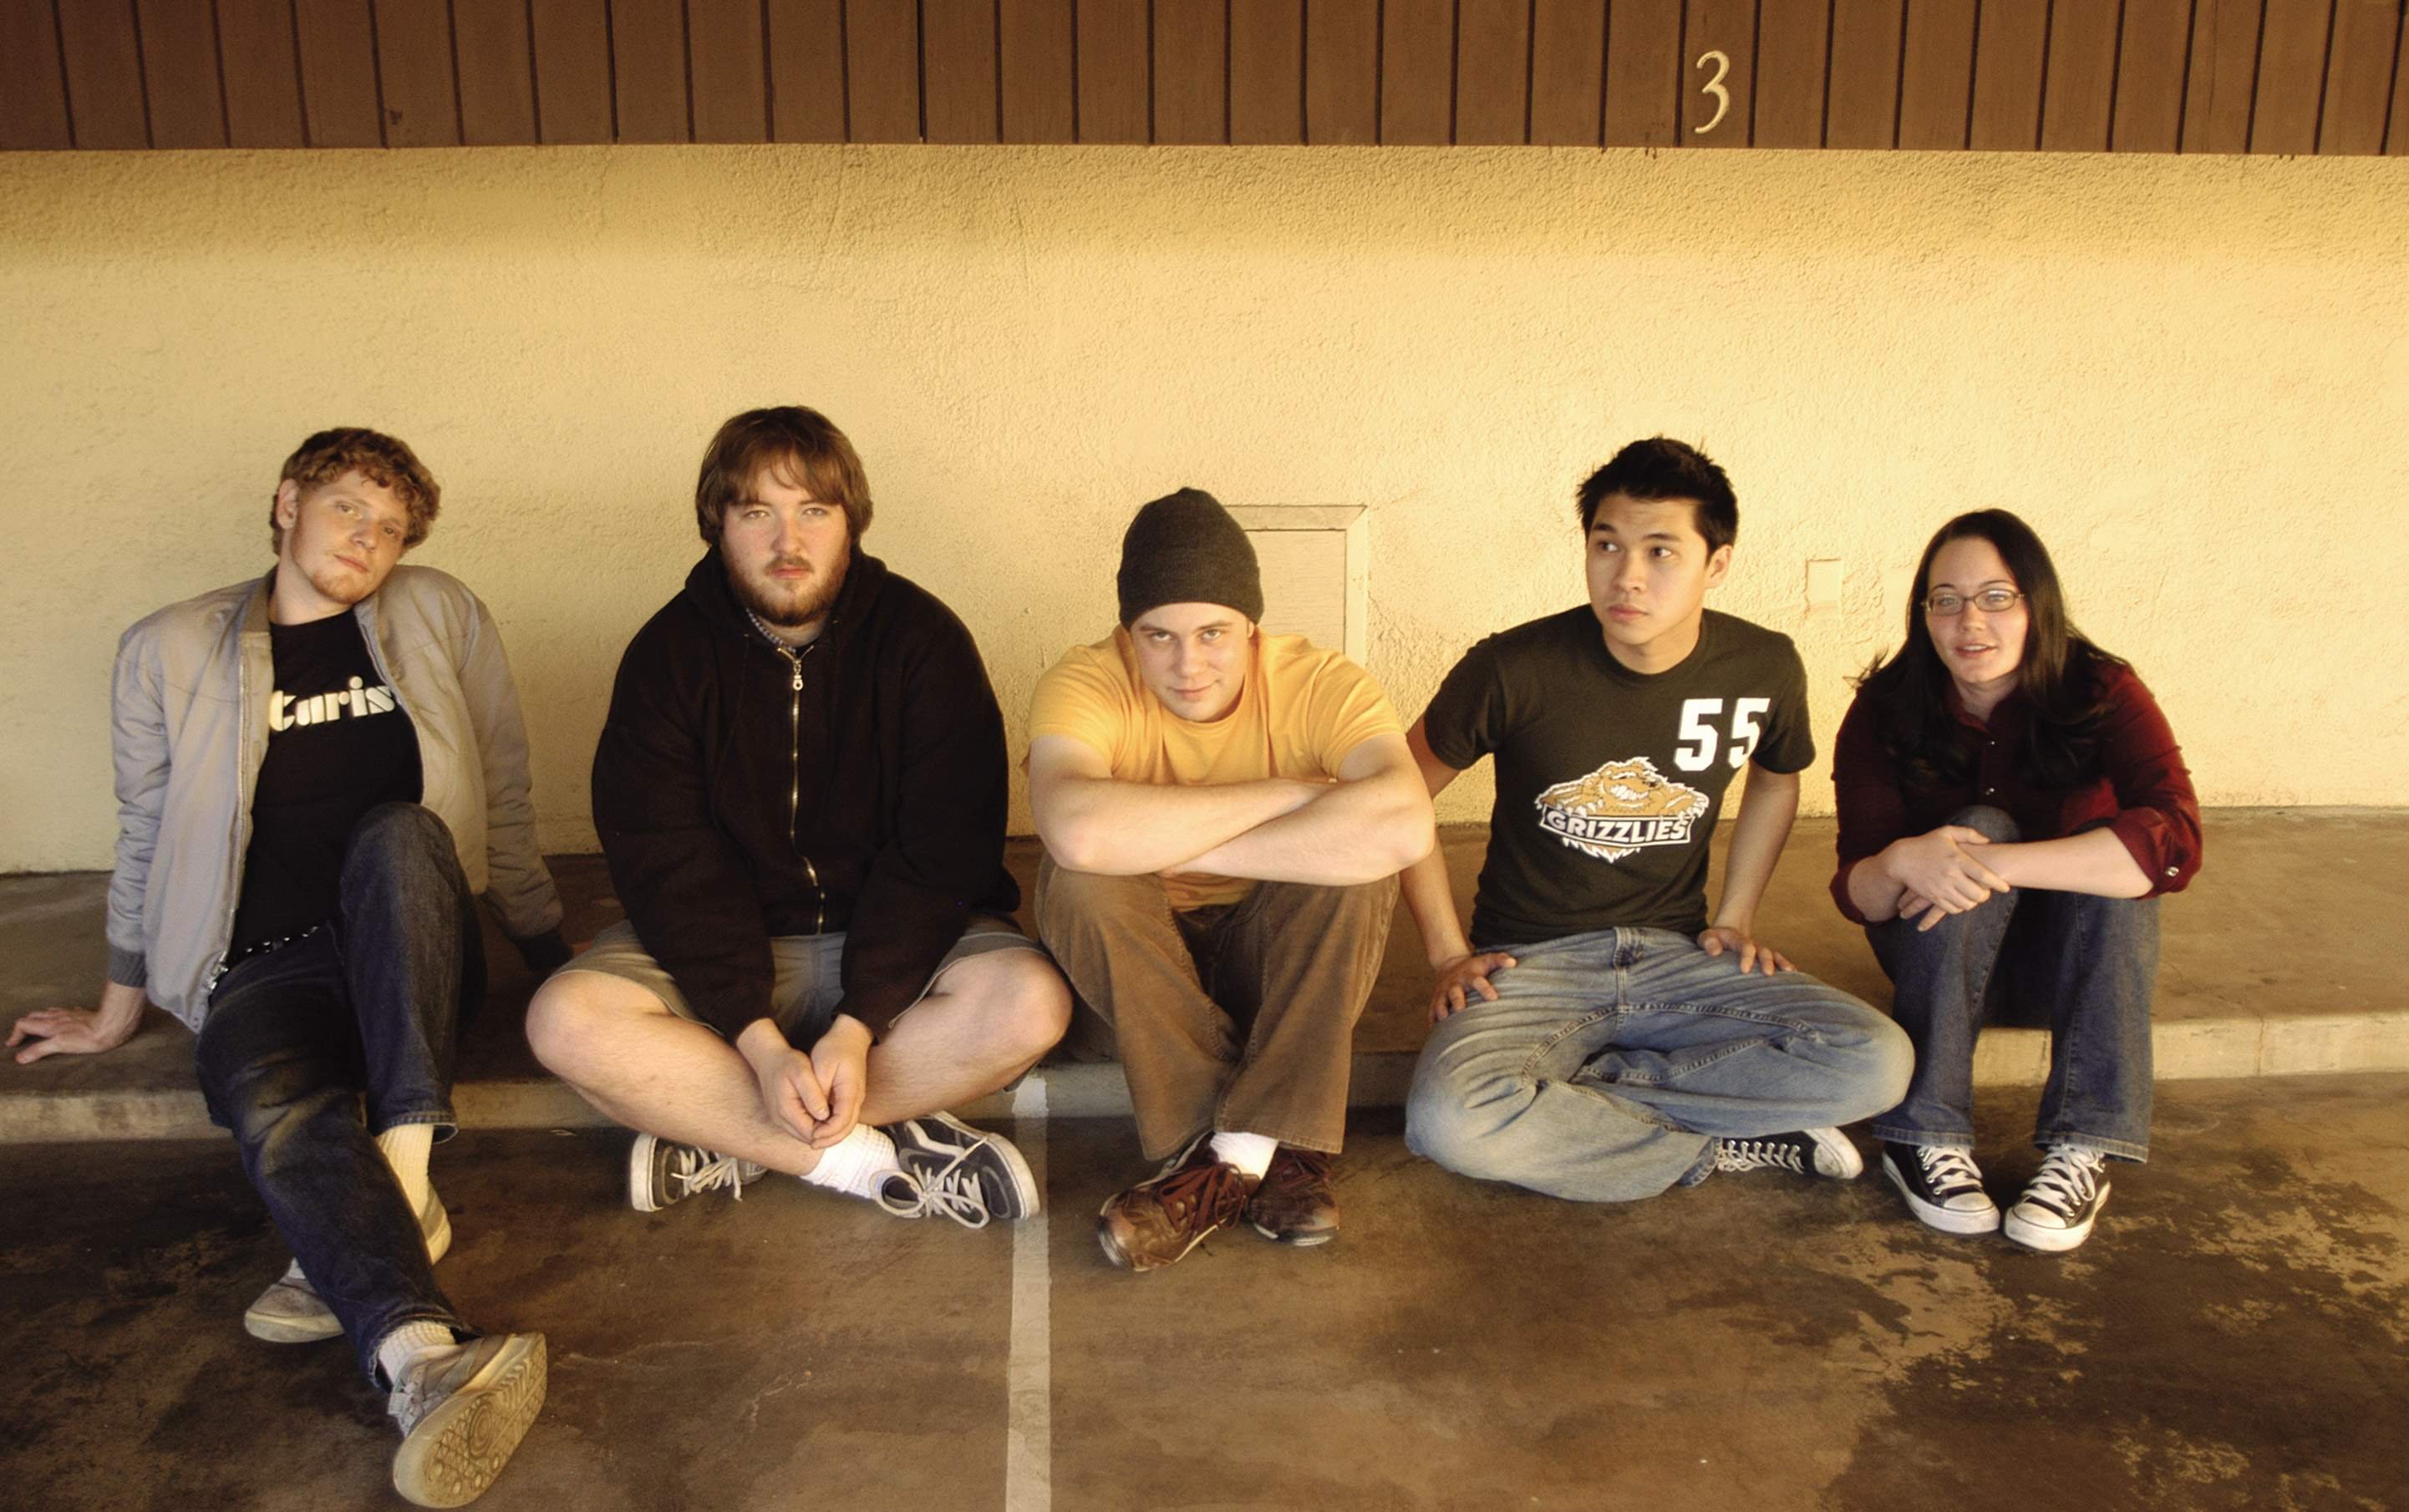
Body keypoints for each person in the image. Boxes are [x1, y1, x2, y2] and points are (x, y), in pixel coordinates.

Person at [8, 428, 562, 1507]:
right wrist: (117, 1004)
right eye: (347, 506)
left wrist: (545, 950)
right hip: (260, 963)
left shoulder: (440, 613)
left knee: (398, 833)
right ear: (286, 502)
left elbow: (503, 787)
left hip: (413, 937)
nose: (367, 539)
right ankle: (420, 1362)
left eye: (390, 527)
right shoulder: (167, 649)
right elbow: (145, 833)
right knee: (273, 1101)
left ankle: (401, 1176)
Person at [526, 406, 1070, 1231]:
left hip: (899, 957)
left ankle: (717, 1127)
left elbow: (942, 853)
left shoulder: (922, 639)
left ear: (851, 521)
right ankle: (865, 1157)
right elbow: (668, 864)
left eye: (814, 510)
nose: (789, 542)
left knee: (1031, 1005)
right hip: (727, 955)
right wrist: (756, 1038)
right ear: (718, 525)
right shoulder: (668, 655)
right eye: (757, 513)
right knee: (564, 1022)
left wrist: (857, 1026)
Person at [1400, 438, 1912, 1204]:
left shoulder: (1763, 664)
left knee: (1876, 1059)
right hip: (1528, 963)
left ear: (1717, 563)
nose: (1626, 576)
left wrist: (1735, 916)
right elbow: (1398, 797)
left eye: (1660, 551)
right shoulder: (1511, 666)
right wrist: (1447, 953)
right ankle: (1712, 1140)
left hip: (1678, 953)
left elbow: (1776, 780)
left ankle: (1594, 1097)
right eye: (1606, 545)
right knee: (1450, 1122)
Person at [1027, 488, 1433, 1271]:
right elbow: (1076, 828)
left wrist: (1189, 850)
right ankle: (1264, 1148)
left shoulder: (1319, 681)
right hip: (1144, 977)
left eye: (1212, 633)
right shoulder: (1086, 680)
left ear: (1251, 627)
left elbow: (1403, 826)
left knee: (1356, 876)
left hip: (1271, 958)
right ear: (1128, 634)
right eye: (1159, 636)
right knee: (1080, 881)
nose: (1188, 665)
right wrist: (1289, 795)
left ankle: (1222, 1165)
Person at [1832, 509, 2199, 1253]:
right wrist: (1899, 861)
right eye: (1945, 600)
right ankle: (1923, 1136)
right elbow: (1856, 895)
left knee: (2108, 867)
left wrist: (1997, 865)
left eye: (1995, 597)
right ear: (1923, 614)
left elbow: (2175, 842)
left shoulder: (2100, 690)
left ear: (2037, 605)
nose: (1970, 621)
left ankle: (2082, 1145)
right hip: (1937, 959)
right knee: (1979, 823)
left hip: (2070, 968)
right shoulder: (1884, 708)